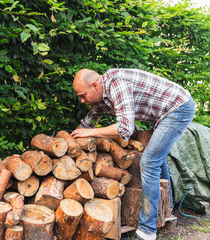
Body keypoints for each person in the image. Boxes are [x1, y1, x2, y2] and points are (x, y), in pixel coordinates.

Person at [71, 68, 195, 240]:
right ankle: (166, 209)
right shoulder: (100, 97)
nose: (82, 101)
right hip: (164, 112)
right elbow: (86, 125)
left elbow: (125, 129)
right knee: (157, 158)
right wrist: (71, 142)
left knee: (149, 162)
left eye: (83, 95)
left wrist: (91, 133)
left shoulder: (116, 84)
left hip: (178, 107)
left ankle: (147, 231)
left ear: (95, 85)